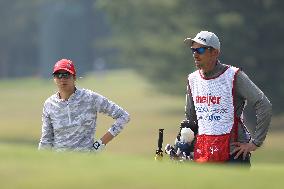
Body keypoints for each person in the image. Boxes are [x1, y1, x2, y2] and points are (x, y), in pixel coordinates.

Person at [180, 31, 272, 165]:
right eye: (193, 50)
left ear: (215, 53)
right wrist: (184, 143)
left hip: (233, 155)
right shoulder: (192, 79)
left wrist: (255, 143)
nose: (195, 54)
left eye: (200, 49)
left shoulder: (234, 76)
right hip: (204, 154)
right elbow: (191, 118)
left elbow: (264, 105)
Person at [38, 59, 130, 152]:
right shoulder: (49, 104)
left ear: (74, 77)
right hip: (59, 163)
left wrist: (99, 145)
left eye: (66, 75)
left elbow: (123, 116)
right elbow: (46, 140)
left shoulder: (90, 97)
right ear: (54, 79)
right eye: (58, 75)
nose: (62, 79)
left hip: (86, 161)